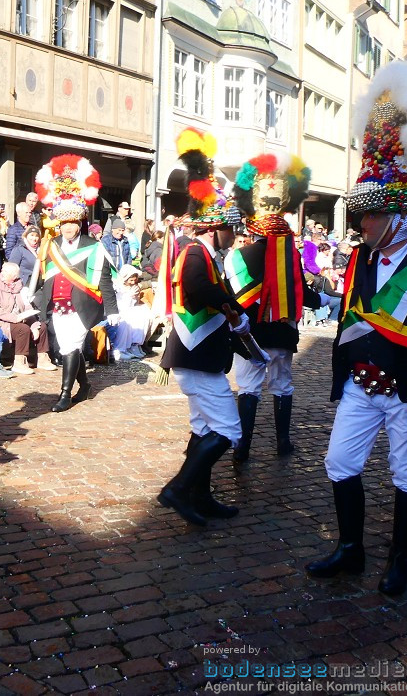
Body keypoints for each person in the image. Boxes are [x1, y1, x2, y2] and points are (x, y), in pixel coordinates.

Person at [304, 62, 407, 596]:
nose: (363, 224)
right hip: (361, 386)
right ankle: (351, 549)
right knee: (338, 463)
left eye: (372, 217)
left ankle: (398, 557)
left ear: (399, 218)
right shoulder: (360, 262)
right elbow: (353, 320)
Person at [156, 128, 246, 527]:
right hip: (198, 354)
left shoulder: (205, 251)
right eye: (229, 228)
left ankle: (200, 494)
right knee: (228, 430)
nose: (234, 234)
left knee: (204, 428)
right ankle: (178, 488)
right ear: (216, 227)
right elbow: (198, 288)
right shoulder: (196, 251)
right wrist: (231, 304)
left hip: (200, 354)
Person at [225, 151, 311, 462]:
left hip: (250, 336)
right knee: (282, 386)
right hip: (282, 332)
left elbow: (232, 297)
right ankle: (283, 442)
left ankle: (243, 446)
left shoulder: (237, 256)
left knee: (248, 388)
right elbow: (303, 293)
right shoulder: (294, 257)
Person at [32, 154, 119, 412]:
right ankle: (86, 386)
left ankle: (64, 394)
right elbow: (44, 275)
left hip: (82, 305)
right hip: (57, 306)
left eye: (72, 224)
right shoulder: (52, 245)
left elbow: (104, 279)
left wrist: (112, 310)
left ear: (78, 224)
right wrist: (35, 295)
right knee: (68, 346)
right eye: (64, 224)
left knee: (70, 347)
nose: (68, 229)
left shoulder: (93, 247)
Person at [0, 261, 55, 374]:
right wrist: (15, 318)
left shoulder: (20, 289)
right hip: (4, 323)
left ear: (14, 276)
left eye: (6, 272)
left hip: (21, 319)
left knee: (42, 326)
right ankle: (19, 362)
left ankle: (43, 358)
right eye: (2, 271)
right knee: (23, 329)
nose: (2, 273)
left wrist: (34, 325)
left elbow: (27, 307)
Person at [111, 264, 154, 360]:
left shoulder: (133, 287)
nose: (133, 282)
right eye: (131, 280)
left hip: (129, 309)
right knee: (128, 319)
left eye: (135, 280)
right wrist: (129, 296)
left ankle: (135, 344)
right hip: (119, 312)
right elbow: (120, 305)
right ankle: (121, 348)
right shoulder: (118, 287)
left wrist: (135, 297)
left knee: (144, 312)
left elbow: (133, 303)